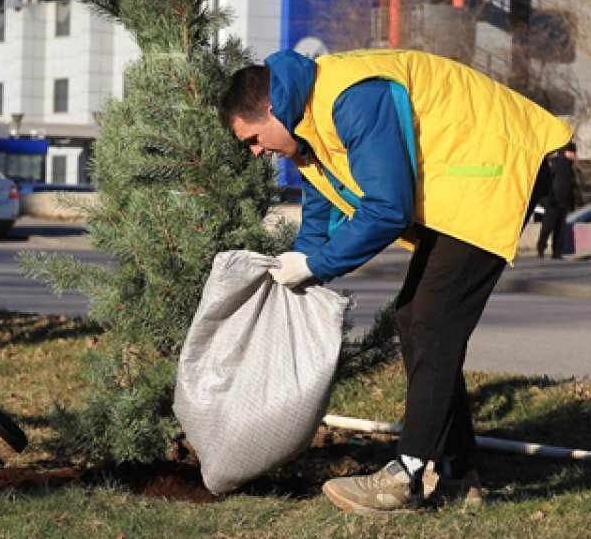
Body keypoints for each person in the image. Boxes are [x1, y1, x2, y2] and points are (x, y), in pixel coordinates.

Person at [219, 48, 572, 514]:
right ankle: (459, 473)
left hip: (493, 171)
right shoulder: (307, 126)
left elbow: (388, 208)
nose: (257, 152)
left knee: (430, 320)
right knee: (416, 320)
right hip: (462, 184)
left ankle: (406, 474)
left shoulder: (349, 99)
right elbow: (322, 202)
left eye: (253, 139)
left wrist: (318, 265)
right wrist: (302, 257)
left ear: (269, 108)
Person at [536, 142, 578, 260]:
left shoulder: (570, 168)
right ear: (565, 152)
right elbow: (546, 183)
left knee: (560, 229)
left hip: (564, 204)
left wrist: (572, 202)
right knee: (548, 227)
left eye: (574, 153)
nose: (573, 155)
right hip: (552, 203)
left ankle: (557, 252)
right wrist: (548, 200)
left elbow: (571, 187)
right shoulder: (555, 164)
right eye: (571, 152)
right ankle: (541, 249)